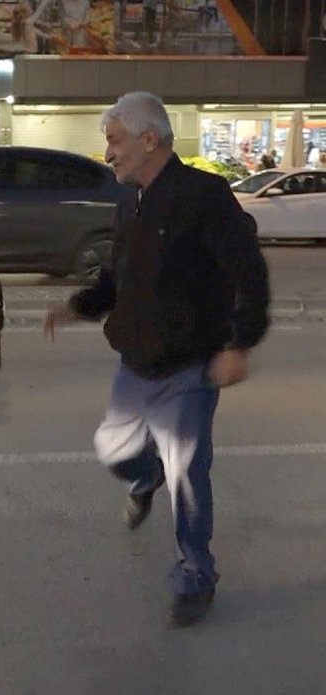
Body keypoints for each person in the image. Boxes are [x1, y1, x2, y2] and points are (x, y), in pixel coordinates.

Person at [43, 92, 270, 627]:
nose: (108, 154)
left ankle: (196, 574)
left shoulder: (204, 196)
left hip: (191, 367)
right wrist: (78, 307)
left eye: (114, 142)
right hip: (134, 363)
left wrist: (239, 344)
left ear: (150, 140)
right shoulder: (130, 201)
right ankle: (144, 479)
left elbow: (248, 272)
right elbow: (118, 278)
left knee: (189, 472)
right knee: (115, 450)